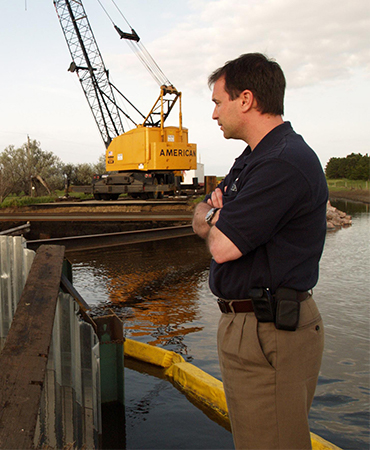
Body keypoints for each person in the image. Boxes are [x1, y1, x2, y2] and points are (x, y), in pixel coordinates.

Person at [192, 53, 328, 449]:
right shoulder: (254, 158)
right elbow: (203, 213)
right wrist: (212, 213)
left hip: (271, 332)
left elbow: (219, 245)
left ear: (246, 99)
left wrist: (213, 216)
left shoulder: (282, 162)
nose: (215, 115)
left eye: (218, 102)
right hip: (249, 326)